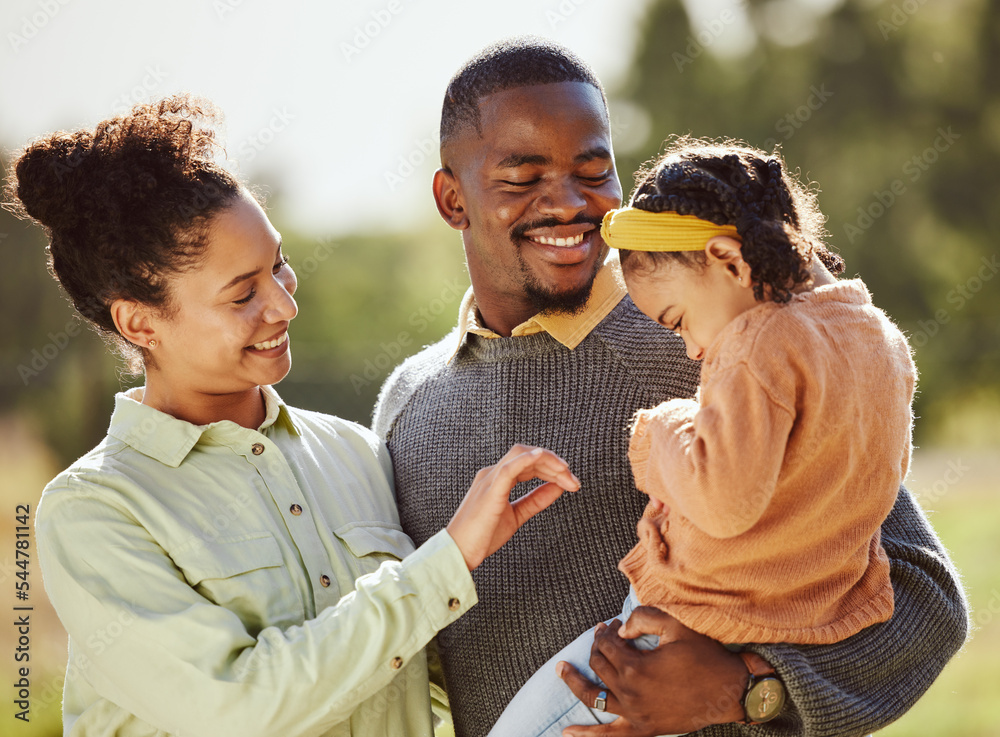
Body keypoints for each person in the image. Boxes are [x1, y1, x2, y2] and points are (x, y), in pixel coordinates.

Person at [373, 37, 969, 737]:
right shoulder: (405, 409)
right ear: (452, 198)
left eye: (593, 172)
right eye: (522, 177)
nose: (568, 204)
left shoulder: (726, 346)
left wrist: (747, 689)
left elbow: (925, 596)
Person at [9, 95, 581, 737]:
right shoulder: (95, 510)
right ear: (140, 322)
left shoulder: (357, 453)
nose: (283, 305)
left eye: (278, 265)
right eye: (243, 293)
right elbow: (238, 708)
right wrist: (449, 558)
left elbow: (429, 683)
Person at [487, 137, 917, 737]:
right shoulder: (880, 339)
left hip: (676, 627)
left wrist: (657, 430)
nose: (689, 350)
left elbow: (723, 498)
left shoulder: (755, 343)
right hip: (808, 619)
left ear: (730, 261)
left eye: (677, 320)